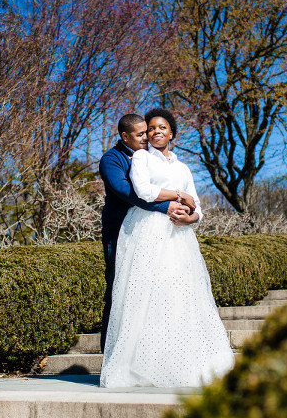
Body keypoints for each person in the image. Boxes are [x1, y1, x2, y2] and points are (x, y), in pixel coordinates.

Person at [100, 108, 235, 388]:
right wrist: (177, 196)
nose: (155, 131)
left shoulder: (183, 168)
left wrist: (191, 216)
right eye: (150, 129)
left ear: (171, 133)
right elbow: (142, 191)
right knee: (143, 293)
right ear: (144, 136)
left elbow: (197, 206)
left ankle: (177, 360)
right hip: (146, 231)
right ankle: (136, 364)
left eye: (162, 127)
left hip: (179, 236)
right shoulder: (138, 158)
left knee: (178, 294)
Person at [98, 114, 192, 352]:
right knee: (118, 289)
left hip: (148, 233)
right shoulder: (112, 159)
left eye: (146, 132)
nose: (146, 137)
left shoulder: (151, 158)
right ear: (125, 136)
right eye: (140, 134)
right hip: (119, 231)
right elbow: (128, 192)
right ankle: (109, 354)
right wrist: (168, 203)